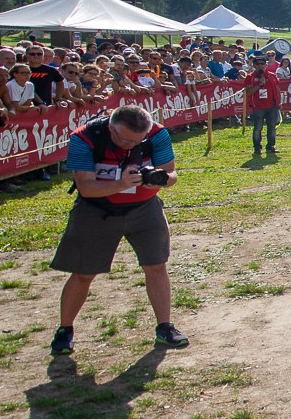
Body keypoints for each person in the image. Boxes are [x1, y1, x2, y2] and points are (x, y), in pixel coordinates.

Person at [49, 103, 189, 355]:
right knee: (83, 273)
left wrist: (161, 180)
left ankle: (165, 327)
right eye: (125, 140)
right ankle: (64, 330)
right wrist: (121, 184)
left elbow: (171, 172)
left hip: (144, 208)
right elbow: (86, 187)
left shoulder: (157, 134)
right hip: (97, 210)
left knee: (156, 266)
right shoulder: (84, 137)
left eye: (137, 141)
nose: (131, 145)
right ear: (111, 128)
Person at [242, 54, 281, 159]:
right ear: (254, 65)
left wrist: (279, 103)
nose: (260, 66)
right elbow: (248, 92)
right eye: (257, 64)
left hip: (272, 106)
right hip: (258, 107)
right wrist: (258, 84)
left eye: (262, 64)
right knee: (258, 128)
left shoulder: (272, 76)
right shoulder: (250, 77)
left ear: (266, 65)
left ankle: (270, 146)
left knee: (272, 127)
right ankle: (257, 148)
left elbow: (277, 89)